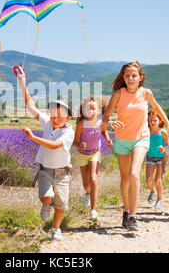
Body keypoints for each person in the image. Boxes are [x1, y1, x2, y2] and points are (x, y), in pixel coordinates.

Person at [102, 61, 169, 231]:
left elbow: (157, 108)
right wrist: (110, 123)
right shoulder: (117, 94)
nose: (130, 78)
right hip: (122, 140)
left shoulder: (146, 93)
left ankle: (133, 216)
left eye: (134, 75)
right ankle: (125, 210)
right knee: (125, 178)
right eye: (127, 75)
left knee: (134, 174)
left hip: (141, 139)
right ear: (123, 77)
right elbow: (105, 117)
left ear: (140, 77)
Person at [17, 71, 74, 240]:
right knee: (46, 197)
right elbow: (31, 107)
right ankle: (46, 204)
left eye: (60, 116)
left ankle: (56, 228)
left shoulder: (69, 132)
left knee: (62, 205)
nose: (55, 119)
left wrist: (34, 138)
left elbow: (56, 146)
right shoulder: (48, 123)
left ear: (68, 117)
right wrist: (22, 83)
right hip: (45, 170)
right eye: (53, 114)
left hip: (63, 173)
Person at [73, 95, 113, 222]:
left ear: (99, 110)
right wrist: (80, 144)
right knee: (86, 184)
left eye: (93, 109)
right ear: (83, 111)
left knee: (93, 179)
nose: (91, 112)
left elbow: (103, 131)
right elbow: (75, 141)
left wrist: (107, 140)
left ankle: (93, 210)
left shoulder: (100, 122)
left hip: (95, 153)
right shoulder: (81, 124)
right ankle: (87, 193)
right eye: (88, 109)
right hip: (83, 154)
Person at [145, 110, 169, 209]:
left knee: (158, 181)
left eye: (155, 120)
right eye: (150, 120)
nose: (152, 122)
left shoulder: (163, 132)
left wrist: (164, 150)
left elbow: (168, 147)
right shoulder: (146, 131)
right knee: (148, 180)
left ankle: (159, 199)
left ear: (160, 121)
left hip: (161, 158)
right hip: (150, 157)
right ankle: (152, 191)